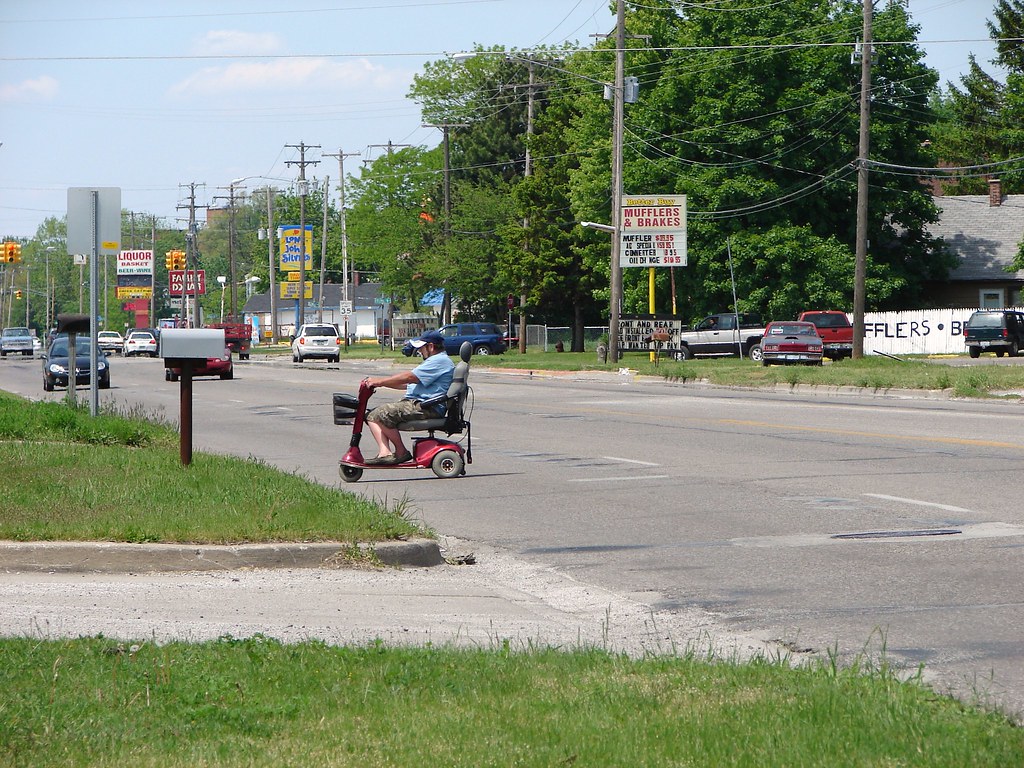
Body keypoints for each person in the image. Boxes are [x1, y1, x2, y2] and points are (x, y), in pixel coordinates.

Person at [362, 330, 455, 465]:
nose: (419, 351)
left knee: (381, 413)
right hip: (421, 404)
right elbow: (408, 383)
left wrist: (380, 381)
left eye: (421, 348)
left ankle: (401, 452)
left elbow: (411, 377)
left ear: (431, 347)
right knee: (371, 415)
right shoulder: (436, 361)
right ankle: (384, 453)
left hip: (427, 407)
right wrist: (382, 384)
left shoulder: (439, 361)